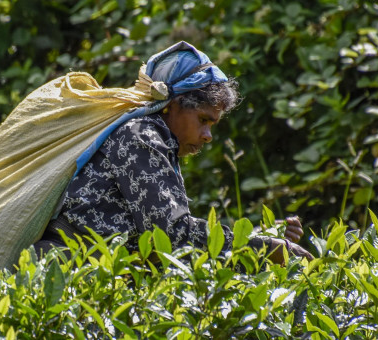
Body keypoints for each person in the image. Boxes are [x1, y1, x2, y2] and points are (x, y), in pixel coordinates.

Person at [34, 41, 313, 264]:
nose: (208, 136)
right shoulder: (140, 135)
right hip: (67, 270)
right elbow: (172, 236)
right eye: (203, 120)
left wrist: (262, 238)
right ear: (173, 105)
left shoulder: (156, 140)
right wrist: (263, 249)